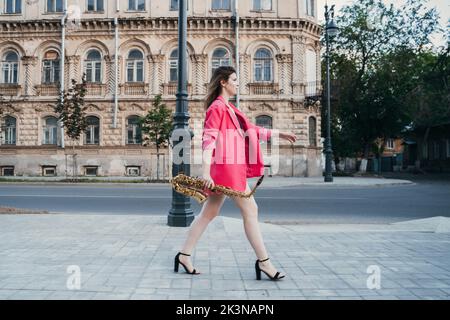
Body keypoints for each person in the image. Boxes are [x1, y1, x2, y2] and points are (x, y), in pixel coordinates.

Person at [174, 66, 297, 280]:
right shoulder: (217, 108)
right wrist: (206, 172)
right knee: (251, 210)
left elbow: (252, 129)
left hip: (230, 168)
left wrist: (280, 133)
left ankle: (184, 255)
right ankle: (264, 263)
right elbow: (208, 140)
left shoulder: (230, 109)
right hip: (227, 170)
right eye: (234, 79)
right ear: (223, 82)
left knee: (208, 214)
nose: (237, 83)